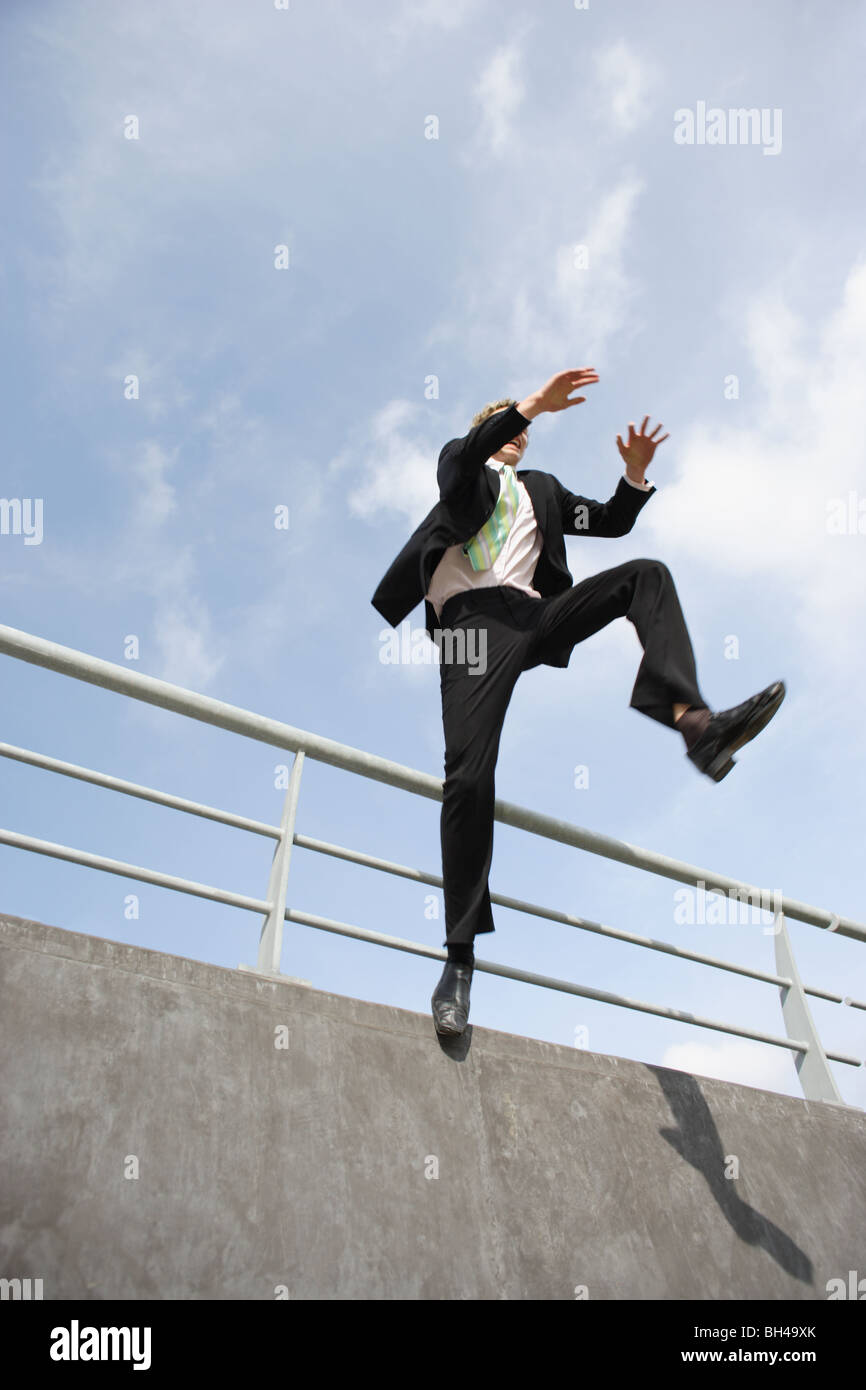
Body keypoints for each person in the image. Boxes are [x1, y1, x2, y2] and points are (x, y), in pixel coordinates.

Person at [370, 368, 785, 1036]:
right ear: (493, 424)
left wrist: (635, 477)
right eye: (513, 423)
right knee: (469, 776)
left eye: (527, 428)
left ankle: (695, 725)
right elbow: (470, 453)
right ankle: (459, 960)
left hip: (535, 615)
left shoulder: (545, 491)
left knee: (644, 576)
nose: (523, 434)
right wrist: (528, 402)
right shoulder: (462, 463)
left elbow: (613, 522)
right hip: (473, 627)